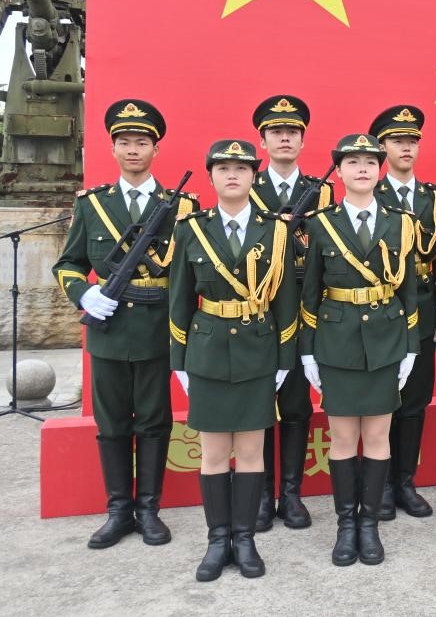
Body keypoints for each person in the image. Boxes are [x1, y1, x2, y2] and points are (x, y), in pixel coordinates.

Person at [52, 99, 197, 550]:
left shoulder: (180, 205)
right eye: (125, 142)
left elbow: (190, 271)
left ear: (156, 149)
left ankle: (149, 510)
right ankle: (118, 510)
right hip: (109, 332)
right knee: (112, 423)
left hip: (156, 330)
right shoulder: (93, 204)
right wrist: (84, 294)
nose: (133, 149)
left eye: (142, 142)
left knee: (154, 421)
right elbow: (68, 263)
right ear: (112, 148)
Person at [168, 140, 297, 581]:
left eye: (241, 168)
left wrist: (284, 358)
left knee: (251, 450)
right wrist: (180, 359)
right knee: (214, 453)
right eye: (223, 168)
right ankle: (217, 540)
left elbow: (286, 299)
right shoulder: (191, 229)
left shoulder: (275, 230)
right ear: (211, 177)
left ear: (254, 177)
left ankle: (245, 539)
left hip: (258, 350)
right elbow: (179, 299)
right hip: (206, 351)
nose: (232, 175)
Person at [298, 134, 420, 566]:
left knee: (378, 437)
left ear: (380, 169)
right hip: (337, 342)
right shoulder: (320, 224)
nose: (363, 168)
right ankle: (345, 525)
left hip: (386, 341)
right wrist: (308, 352)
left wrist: (410, 347)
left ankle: (369, 525)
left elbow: (409, 291)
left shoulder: (401, 223)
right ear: (340, 172)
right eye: (353, 162)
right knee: (344, 438)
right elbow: (309, 293)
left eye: (370, 161)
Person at [248, 94, 333, 531]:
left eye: (293, 132)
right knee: (261, 404)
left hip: (304, 307)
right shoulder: (247, 186)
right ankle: (264, 495)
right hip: (258, 309)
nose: (285, 138)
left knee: (297, 403)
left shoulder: (323, 190)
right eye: (276, 132)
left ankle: (292, 493)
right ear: (262, 141)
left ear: (302, 140)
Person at [369, 105, 436, 520]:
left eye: (412, 141)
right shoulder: (371, 193)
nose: (406, 147)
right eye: (397, 140)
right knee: (383, 399)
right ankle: (382, 484)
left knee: (415, 400)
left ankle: (405, 481)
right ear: (382, 147)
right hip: (382, 308)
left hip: (421, 305)